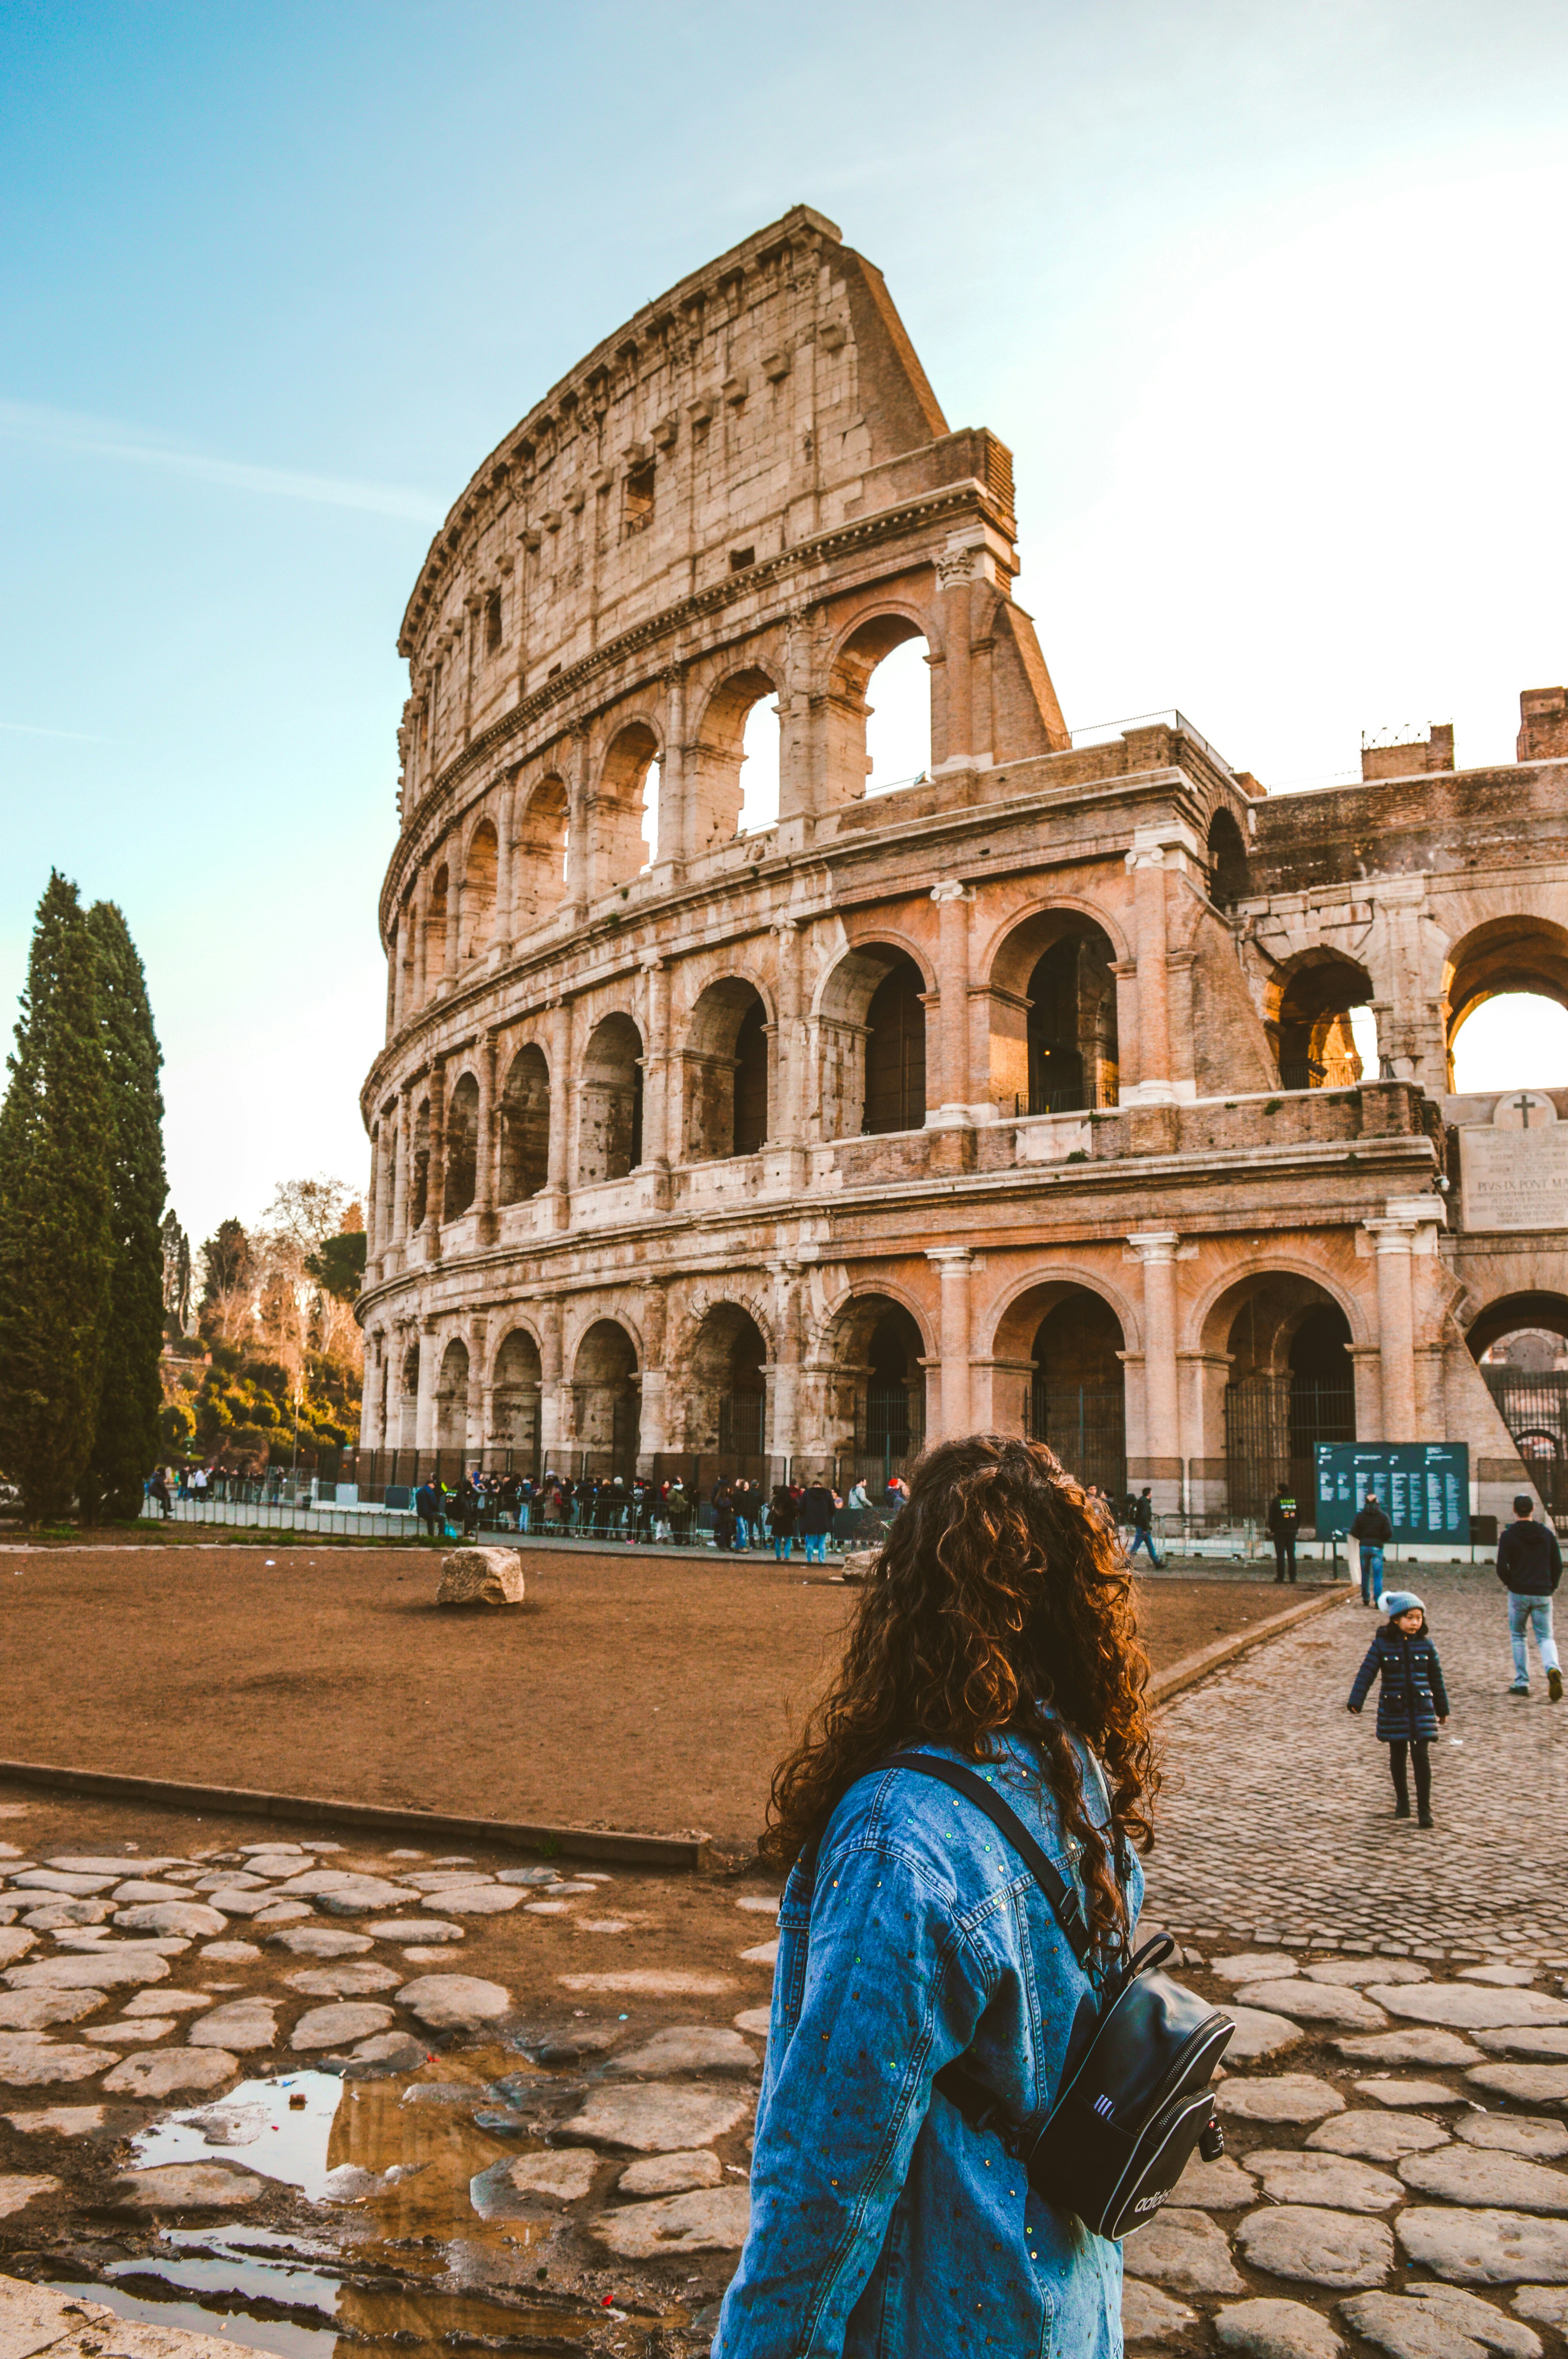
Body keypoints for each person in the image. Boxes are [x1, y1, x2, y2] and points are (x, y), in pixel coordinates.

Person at [717, 1434, 1156, 2359]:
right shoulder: (1073, 1772)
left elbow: (829, 2172)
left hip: (943, 2308)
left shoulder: (899, 1833)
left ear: (906, 1595)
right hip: (1070, 2295)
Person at [1347, 1590, 1450, 1827]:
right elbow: (1367, 1672)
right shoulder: (1383, 1644)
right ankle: (1403, 1802)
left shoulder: (1426, 1646)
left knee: (1421, 1757)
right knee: (1398, 1756)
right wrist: (1356, 1701)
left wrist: (1442, 1709)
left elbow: (1437, 1679)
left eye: (1419, 1618)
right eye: (1410, 1618)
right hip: (1395, 1709)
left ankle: (1425, 1809)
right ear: (1396, 1619)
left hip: (1422, 1710)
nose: (1415, 1623)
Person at [1497, 1493, 1563, 1701]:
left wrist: (1511, 1583)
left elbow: (1501, 1567)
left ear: (1514, 1510)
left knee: (1519, 1636)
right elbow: (1558, 1565)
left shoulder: (1509, 1535)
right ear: (1533, 1510)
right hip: (1543, 1592)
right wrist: (1550, 1586)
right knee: (1546, 1637)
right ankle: (1552, 1668)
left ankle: (1522, 1682)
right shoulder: (1546, 1534)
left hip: (1519, 1592)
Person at [1350, 1489, 1392, 1608]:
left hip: (1364, 1547)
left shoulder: (1360, 1516)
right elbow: (1389, 1532)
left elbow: (1354, 1532)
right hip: (1377, 1548)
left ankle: (1366, 1598)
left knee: (1365, 1573)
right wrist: (1381, 1541)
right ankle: (1378, 1600)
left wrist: (1363, 1539)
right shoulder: (1384, 1517)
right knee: (1378, 1575)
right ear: (1377, 1503)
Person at [797, 1479, 840, 1565]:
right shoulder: (827, 1494)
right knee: (822, 1541)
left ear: (813, 1485)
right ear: (821, 1486)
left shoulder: (807, 1493)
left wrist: (804, 1515)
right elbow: (833, 1509)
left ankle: (810, 1560)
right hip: (824, 1521)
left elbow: (801, 1508)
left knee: (810, 1541)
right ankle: (822, 1560)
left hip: (810, 1521)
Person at [1267, 1483, 1300, 1584]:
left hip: (1280, 1531)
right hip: (1292, 1532)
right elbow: (1299, 1517)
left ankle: (1281, 1577)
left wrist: (1273, 1530)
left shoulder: (1276, 1502)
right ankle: (1293, 1577)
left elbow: (1271, 1518)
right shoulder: (1295, 1501)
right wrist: (1295, 1528)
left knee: (1280, 1556)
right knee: (1291, 1555)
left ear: (1280, 1491)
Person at [1129, 1485, 1161, 1568]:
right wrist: (1145, 1528)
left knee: (1149, 1546)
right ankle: (1127, 1561)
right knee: (1137, 1546)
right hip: (1143, 1529)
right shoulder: (1145, 1504)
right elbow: (1144, 1517)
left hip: (1142, 1528)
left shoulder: (1141, 1502)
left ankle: (1157, 1563)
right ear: (1149, 1494)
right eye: (1151, 1493)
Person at [769, 1482, 797, 1562]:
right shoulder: (791, 1501)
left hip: (778, 1522)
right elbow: (793, 1512)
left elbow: (772, 1508)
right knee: (788, 1541)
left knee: (778, 1541)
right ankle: (787, 1557)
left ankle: (778, 1557)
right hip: (787, 1522)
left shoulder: (776, 1500)